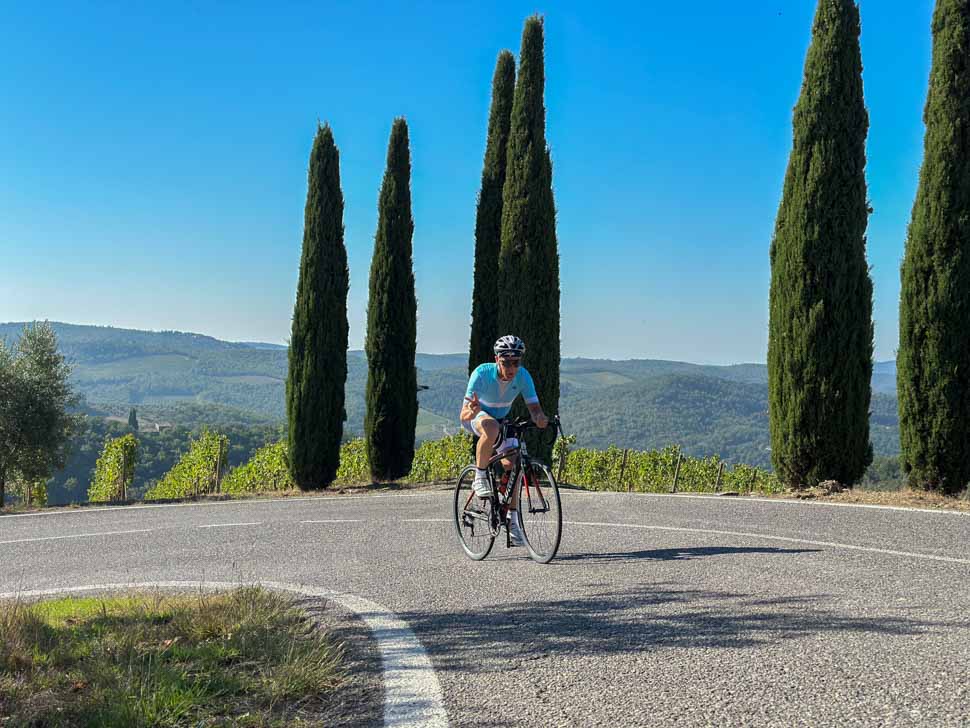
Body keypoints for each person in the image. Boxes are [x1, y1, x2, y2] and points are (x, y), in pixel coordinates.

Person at [459, 335, 548, 545]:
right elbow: (463, 415)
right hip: (478, 417)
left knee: (514, 463)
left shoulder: (523, 376)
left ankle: (512, 518)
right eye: (506, 362)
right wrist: (471, 412)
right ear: (496, 359)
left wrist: (541, 419)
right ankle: (479, 477)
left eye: (515, 362)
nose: (511, 367)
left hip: (501, 419)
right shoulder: (481, 373)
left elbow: (535, 409)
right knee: (491, 427)